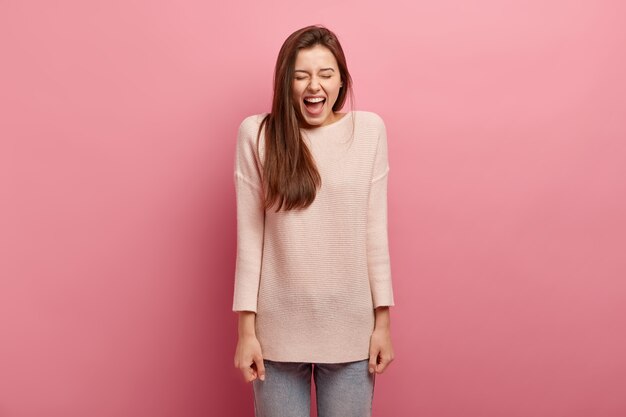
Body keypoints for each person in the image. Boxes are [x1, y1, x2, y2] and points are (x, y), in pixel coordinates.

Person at [232, 24, 395, 417]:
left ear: (341, 81)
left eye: (325, 74)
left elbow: (374, 233)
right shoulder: (257, 134)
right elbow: (251, 240)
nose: (313, 86)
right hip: (277, 337)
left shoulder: (369, 131)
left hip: (351, 333)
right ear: (285, 81)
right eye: (301, 75)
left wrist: (383, 325)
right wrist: (246, 332)